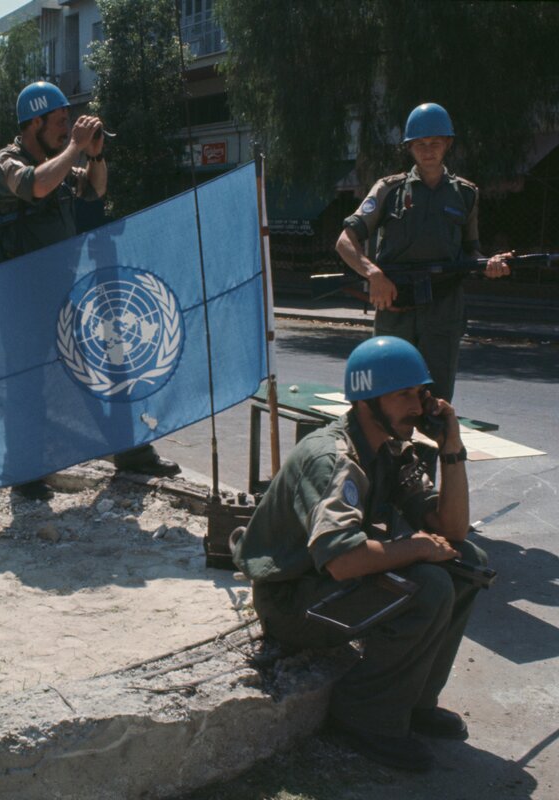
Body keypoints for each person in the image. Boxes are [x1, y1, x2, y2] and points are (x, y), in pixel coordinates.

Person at [232, 336, 488, 772]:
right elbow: (343, 560)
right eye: (404, 394)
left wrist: (451, 448)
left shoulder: (391, 448)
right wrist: (416, 547)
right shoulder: (333, 457)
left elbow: (452, 529)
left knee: (467, 563)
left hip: (327, 585)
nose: (417, 406)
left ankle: (416, 701)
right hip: (292, 602)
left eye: (421, 394)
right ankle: (365, 716)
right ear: (367, 400)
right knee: (428, 584)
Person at [0, 81, 179, 501]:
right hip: (21, 301)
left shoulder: (61, 164)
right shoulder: (3, 163)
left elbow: (95, 188)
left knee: (105, 371)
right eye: (59, 122)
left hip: (62, 295)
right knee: (27, 389)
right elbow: (35, 185)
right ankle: (26, 474)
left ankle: (131, 452)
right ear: (34, 123)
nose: (66, 128)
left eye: (68, 122)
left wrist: (95, 155)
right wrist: (74, 147)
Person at [336, 102, 510, 402]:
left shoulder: (466, 193)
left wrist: (488, 264)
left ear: (448, 144)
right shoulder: (388, 190)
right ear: (410, 147)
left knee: (436, 398)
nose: (428, 150)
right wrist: (373, 274)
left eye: (435, 143)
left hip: (443, 308)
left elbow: (470, 252)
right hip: (395, 304)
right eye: (420, 144)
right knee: (387, 393)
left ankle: (434, 435)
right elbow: (345, 241)